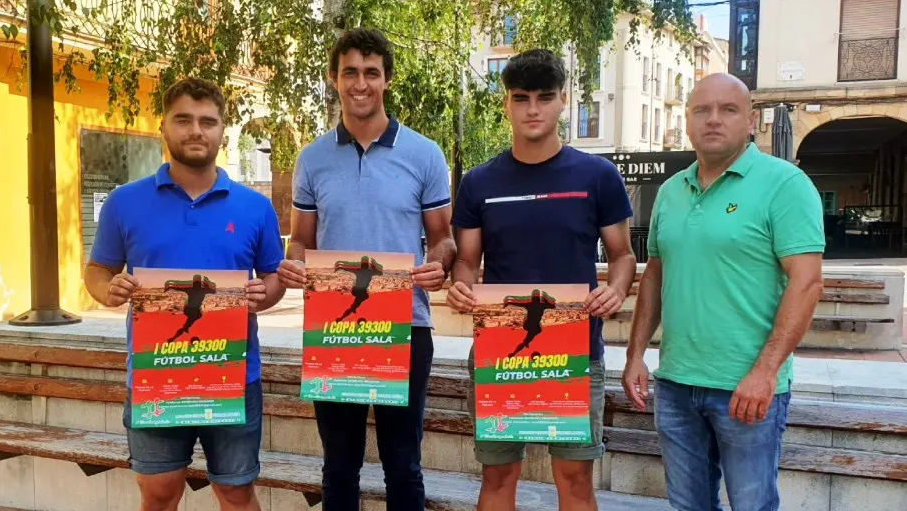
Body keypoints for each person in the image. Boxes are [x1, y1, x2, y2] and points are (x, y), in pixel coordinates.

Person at [621, 73, 825, 511]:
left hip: (747, 386)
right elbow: (655, 273)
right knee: (687, 505)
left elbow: (806, 282)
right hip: (675, 384)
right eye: (702, 110)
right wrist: (635, 353)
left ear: (750, 120)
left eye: (728, 110)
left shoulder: (785, 184)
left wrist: (765, 372)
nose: (713, 120)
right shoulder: (672, 191)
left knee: (752, 505)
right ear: (688, 122)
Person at [446, 49, 637, 511]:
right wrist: (461, 286)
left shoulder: (598, 176)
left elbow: (624, 255)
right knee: (498, 477)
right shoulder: (478, 183)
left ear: (563, 101)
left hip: (576, 349)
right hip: (500, 349)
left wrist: (615, 288)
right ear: (506, 104)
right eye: (521, 97)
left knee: (574, 481)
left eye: (544, 97)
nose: (533, 108)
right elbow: (467, 262)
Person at [83, 76, 286, 511]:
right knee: (159, 493)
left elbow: (274, 279)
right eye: (184, 120)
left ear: (222, 131)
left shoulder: (255, 207)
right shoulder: (124, 201)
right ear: (164, 127)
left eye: (208, 122)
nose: (196, 131)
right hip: (156, 375)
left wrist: (261, 294)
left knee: (235, 493)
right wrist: (109, 290)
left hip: (233, 377)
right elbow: (97, 271)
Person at [276, 27, 457, 510]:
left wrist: (437, 266)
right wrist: (293, 266)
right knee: (338, 467)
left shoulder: (425, 154)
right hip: (335, 328)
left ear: (387, 80)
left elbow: (443, 240)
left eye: (371, 72)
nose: (361, 83)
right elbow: (302, 243)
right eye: (350, 72)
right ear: (334, 79)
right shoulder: (312, 159)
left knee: (404, 465)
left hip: (407, 325)